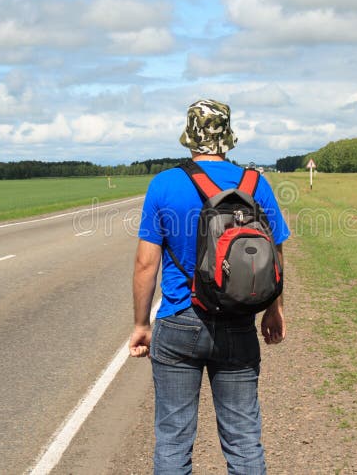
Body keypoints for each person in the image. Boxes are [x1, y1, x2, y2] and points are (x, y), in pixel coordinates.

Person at [129, 99, 291, 474]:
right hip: (237, 323)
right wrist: (274, 309)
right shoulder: (256, 184)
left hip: (178, 320)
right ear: (228, 138)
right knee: (244, 440)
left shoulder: (164, 185)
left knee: (172, 440)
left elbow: (145, 263)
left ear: (190, 138)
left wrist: (141, 325)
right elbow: (274, 256)